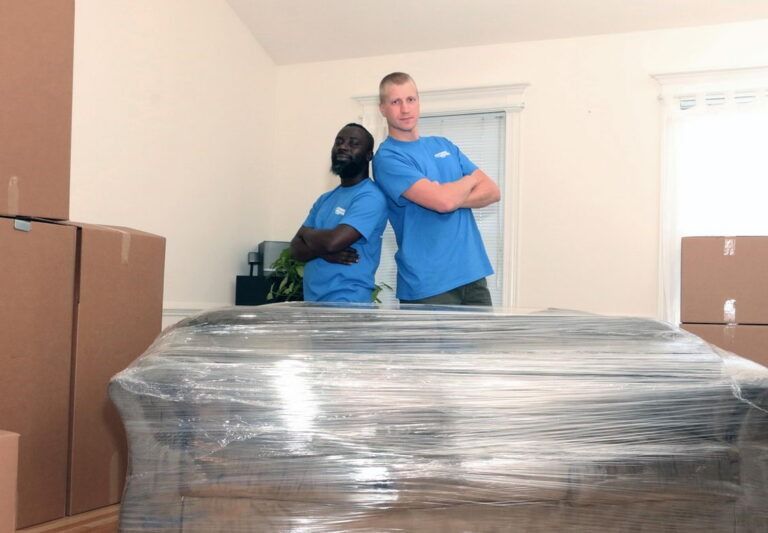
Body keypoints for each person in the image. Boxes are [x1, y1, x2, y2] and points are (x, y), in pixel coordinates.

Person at [372, 72, 500, 306]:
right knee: (432, 346)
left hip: (473, 274)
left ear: (419, 102)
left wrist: (448, 194)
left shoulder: (443, 145)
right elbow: (443, 203)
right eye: (395, 102)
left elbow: (492, 191)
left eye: (410, 100)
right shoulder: (388, 158)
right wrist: (468, 181)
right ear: (382, 109)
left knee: (480, 344)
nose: (405, 109)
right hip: (428, 283)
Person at [290, 123, 387, 302]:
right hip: (312, 303)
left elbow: (334, 242)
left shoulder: (370, 197)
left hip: (347, 304)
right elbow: (295, 249)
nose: (343, 147)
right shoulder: (325, 199)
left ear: (368, 156)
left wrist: (307, 234)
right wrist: (324, 253)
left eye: (353, 143)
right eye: (339, 142)